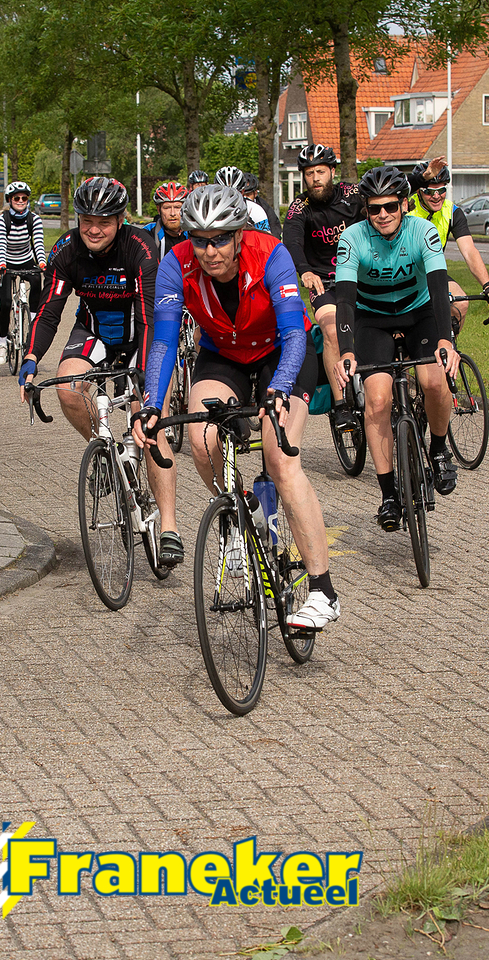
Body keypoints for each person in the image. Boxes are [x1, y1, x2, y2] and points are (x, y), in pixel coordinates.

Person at [134, 185, 340, 630]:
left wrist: (279, 388)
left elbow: (294, 333)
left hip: (281, 354)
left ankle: (323, 591)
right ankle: (240, 510)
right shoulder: (176, 264)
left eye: (220, 240)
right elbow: (164, 342)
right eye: (199, 240)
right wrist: (151, 405)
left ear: (239, 234)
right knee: (201, 438)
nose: (209, 252)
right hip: (224, 354)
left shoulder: (271, 255)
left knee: (280, 460)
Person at [19, 177, 183, 565]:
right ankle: (106, 451)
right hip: (94, 331)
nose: (94, 229)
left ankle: (169, 527)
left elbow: (149, 318)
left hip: (141, 334)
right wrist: (30, 360)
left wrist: (147, 382)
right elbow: (48, 312)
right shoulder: (66, 249)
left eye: (104, 222)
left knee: (151, 424)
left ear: (120, 220)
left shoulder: (140, 246)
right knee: (67, 388)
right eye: (87, 220)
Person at [331, 166, 461, 530]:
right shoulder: (352, 238)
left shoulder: (422, 231)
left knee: (434, 381)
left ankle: (438, 450)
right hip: (373, 319)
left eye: (390, 206)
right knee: (376, 401)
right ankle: (388, 493)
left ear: (404, 204)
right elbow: (345, 300)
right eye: (374, 208)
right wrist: (346, 350)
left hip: (419, 312)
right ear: (366, 209)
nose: (383, 214)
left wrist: (445, 339)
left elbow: (438, 285)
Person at [280, 144, 365, 418]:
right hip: (324, 284)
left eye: (320, 171)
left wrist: (419, 180)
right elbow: (292, 241)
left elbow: (384, 193)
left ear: (332, 172)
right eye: (309, 173)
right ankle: (341, 406)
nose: (315, 178)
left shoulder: (353, 194)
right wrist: (304, 270)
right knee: (331, 332)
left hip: (361, 278)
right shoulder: (299, 208)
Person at [406, 158, 489, 335]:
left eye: (441, 190)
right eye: (429, 192)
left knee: (460, 303)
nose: (436, 196)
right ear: (419, 191)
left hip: (432, 271)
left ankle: (449, 345)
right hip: (403, 273)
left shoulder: (452, 212)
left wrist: (487, 285)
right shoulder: (406, 207)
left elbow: (469, 251)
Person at [0, 181, 47, 366]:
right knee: (6, 302)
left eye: (24, 198)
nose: (21, 201)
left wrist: (42, 262)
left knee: (37, 282)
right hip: (5, 261)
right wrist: (1, 264)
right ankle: (2, 343)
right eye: (17, 198)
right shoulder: (2, 220)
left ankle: (32, 321)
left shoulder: (34, 219)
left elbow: (38, 243)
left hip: (26, 259)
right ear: (10, 200)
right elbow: (1, 244)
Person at [215, 166, 272, 234]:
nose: (229, 198)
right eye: (224, 194)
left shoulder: (254, 209)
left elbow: (266, 237)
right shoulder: (208, 209)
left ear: (242, 192)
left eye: (234, 194)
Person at [143, 180, 188, 259]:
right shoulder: (147, 233)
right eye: (167, 208)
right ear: (159, 210)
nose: (172, 213)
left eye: (177, 207)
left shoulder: (194, 233)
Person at [241, 172, 281, 239]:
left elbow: (274, 227)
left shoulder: (264, 207)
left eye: (248, 195)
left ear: (255, 193)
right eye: (243, 195)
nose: (245, 198)